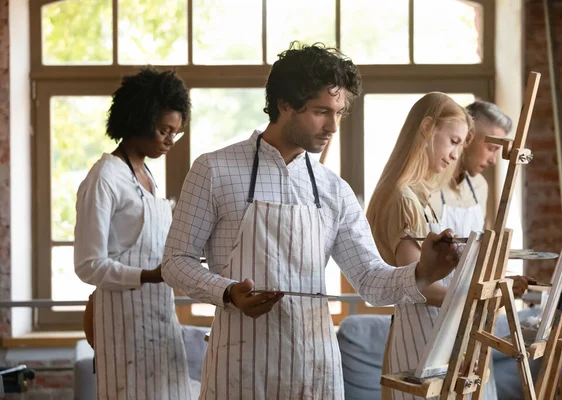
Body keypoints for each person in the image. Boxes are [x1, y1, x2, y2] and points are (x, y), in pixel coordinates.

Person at [161, 43, 461, 400]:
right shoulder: (214, 170)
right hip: (240, 367)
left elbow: (371, 281)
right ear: (286, 104)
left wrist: (423, 272)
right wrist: (227, 292)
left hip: (315, 369)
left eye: (339, 112)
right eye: (322, 111)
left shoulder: (333, 189)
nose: (333, 125)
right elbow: (175, 262)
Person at [367, 95, 529, 400]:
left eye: (461, 144)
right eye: (454, 141)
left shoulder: (419, 197)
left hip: (443, 334)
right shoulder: (403, 197)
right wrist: (481, 299)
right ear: (427, 129)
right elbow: (417, 285)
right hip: (423, 342)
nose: (456, 154)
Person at [74, 67, 194, 399]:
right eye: (163, 131)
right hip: (122, 327)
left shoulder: (148, 177)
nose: (170, 140)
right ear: (138, 120)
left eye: (176, 132)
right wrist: (151, 275)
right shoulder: (104, 179)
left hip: (159, 322)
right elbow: (88, 265)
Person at [428, 100, 512, 237]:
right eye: (491, 149)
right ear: (467, 138)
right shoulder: (427, 185)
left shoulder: (480, 186)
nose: (493, 160)